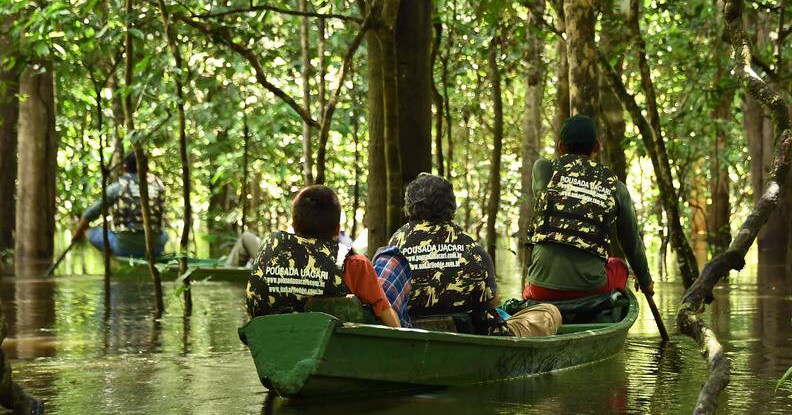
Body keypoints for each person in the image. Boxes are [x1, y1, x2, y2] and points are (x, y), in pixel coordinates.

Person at [524, 114, 653, 302]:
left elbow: (543, 199)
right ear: (597, 147)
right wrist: (645, 279)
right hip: (590, 289)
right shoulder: (616, 187)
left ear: (560, 147)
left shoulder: (544, 169)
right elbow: (631, 243)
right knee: (619, 266)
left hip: (540, 288)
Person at [246, 185, 401, 327]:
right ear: (337, 229)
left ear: (293, 226)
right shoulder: (356, 265)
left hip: (273, 338)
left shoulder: (267, 258)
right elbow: (391, 323)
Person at [387, 173, 500, 334]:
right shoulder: (474, 249)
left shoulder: (395, 243)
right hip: (467, 336)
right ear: (451, 204)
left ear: (409, 204)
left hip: (408, 336)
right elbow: (491, 300)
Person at [71, 152, 168, 258]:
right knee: (165, 234)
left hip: (125, 247)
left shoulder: (118, 187)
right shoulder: (158, 186)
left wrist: (77, 233)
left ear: (125, 167)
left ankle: (113, 257)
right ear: (147, 167)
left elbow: (90, 213)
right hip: (155, 247)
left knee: (89, 231)